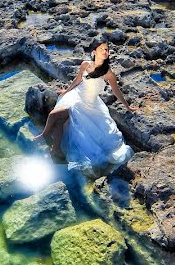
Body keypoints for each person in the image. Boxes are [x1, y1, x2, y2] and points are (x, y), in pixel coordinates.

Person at [32, 41, 136, 176]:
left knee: (57, 118)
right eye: (101, 49)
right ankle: (52, 145)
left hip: (91, 105)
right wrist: (66, 91)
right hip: (76, 97)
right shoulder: (85, 64)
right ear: (94, 52)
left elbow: (116, 91)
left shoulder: (108, 73)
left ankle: (51, 144)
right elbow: (77, 80)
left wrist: (127, 106)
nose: (105, 51)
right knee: (56, 116)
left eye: (106, 49)